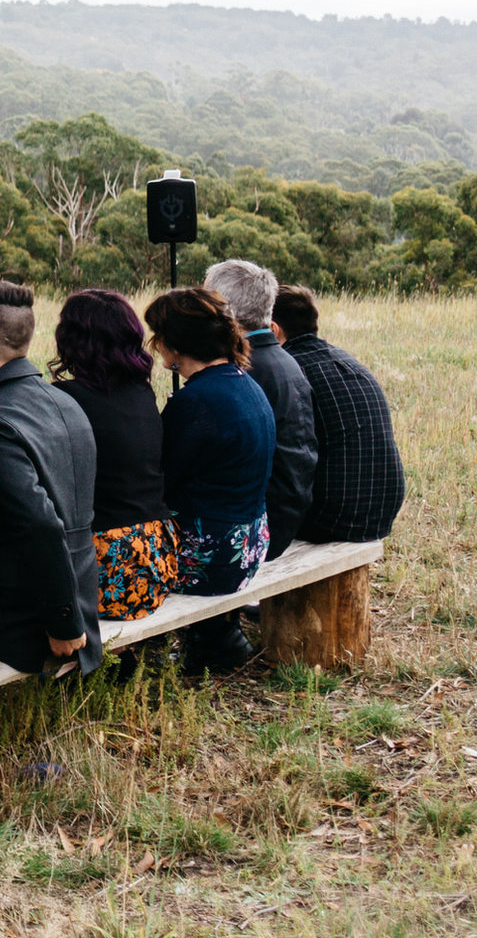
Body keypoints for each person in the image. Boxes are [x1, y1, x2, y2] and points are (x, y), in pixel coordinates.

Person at [0, 280, 102, 678]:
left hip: (31, 620)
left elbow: (39, 524)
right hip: (84, 596)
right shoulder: (65, 402)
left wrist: (63, 621)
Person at [144, 286, 275, 675]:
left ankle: (134, 657)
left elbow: (161, 483)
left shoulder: (195, 404)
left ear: (173, 346)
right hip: (252, 543)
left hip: (214, 559)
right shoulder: (246, 384)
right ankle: (214, 638)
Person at [50, 290, 178, 623]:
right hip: (159, 555)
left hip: (109, 565)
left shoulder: (66, 400)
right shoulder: (142, 392)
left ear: (72, 340)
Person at [273, 285, 407, 543]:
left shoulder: (287, 371)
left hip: (332, 519)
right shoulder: (345, 359)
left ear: (272, 329)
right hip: (383, 509)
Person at [204, 259, 319, 554]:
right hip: (287, 512)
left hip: (262, 529)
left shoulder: (244, 371)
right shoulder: (282, 359)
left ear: (223, 309)